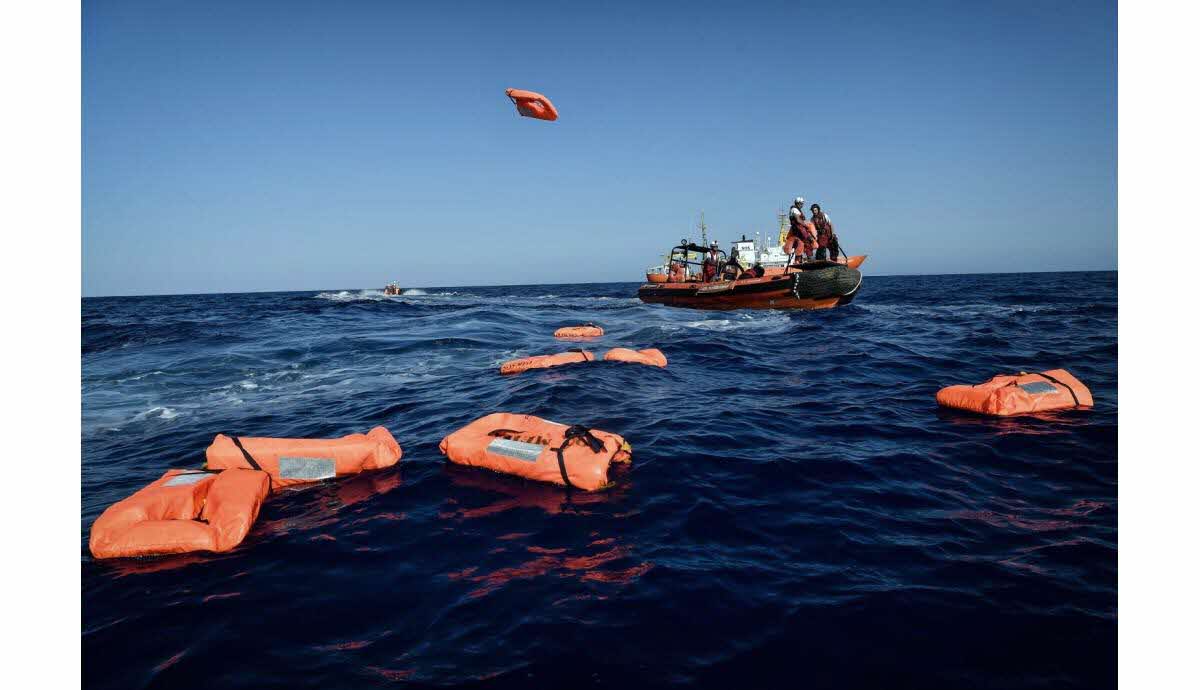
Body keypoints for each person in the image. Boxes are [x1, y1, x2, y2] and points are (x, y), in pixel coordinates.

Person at [784, 198, 817, 263]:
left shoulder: (796, 210)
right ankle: (809, 258)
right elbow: (798, 220)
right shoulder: (794, 210)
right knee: (808, 241)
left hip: (797, 229)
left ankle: (798, 260)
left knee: (800, 244)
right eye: (801, 204)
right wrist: (806, 225)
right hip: (799, 229)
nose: (802, 205)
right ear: (798, 203)